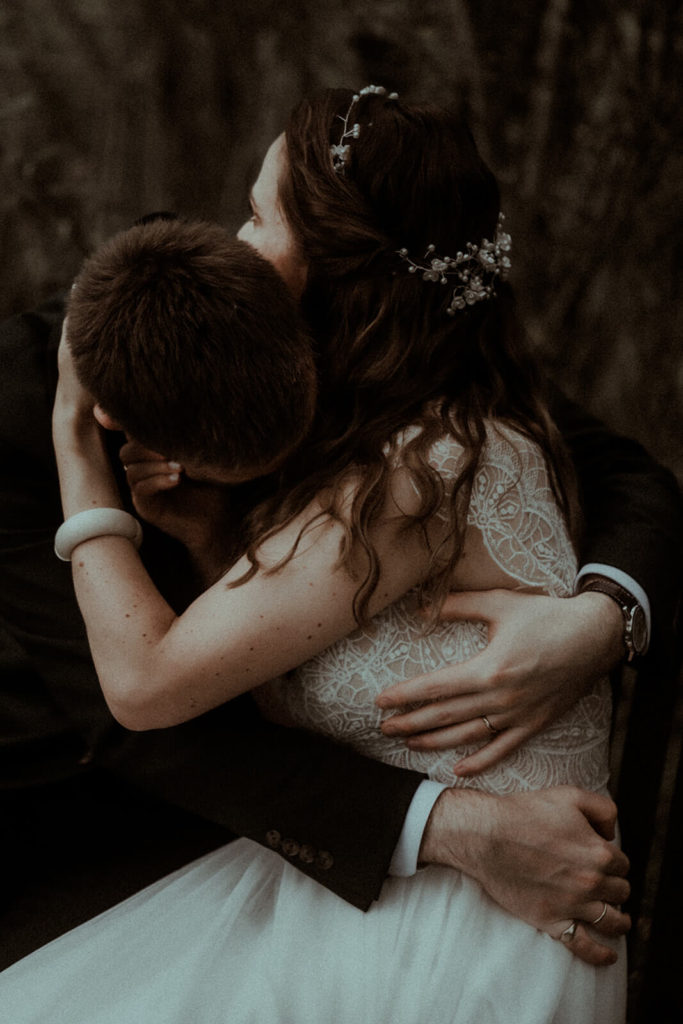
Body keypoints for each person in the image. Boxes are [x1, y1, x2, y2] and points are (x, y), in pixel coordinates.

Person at [0, 86, 679, 982]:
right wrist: (444, 826)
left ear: (338, 266)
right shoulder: (25, 406)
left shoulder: (423, 399)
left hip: (446, 915)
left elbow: (631, 476)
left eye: (254, 215)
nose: (239, 246)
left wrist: (600, 619)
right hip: (116, 821)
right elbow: (140, 716)